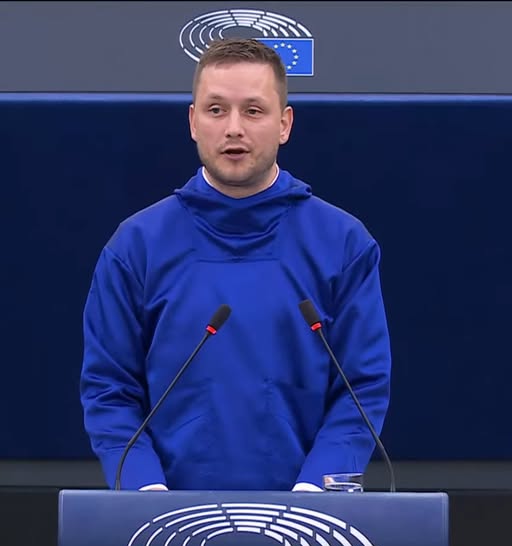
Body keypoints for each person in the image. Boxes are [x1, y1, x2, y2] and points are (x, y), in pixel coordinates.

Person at [80, 38, 391, 492]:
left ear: (284, 124)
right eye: (216, 110)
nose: (233, 129)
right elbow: (110, 390)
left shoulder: (343, 243)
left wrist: (315, 496)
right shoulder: (136, 246)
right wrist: (146, 495)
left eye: (253, 111)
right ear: (193, 122)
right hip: (165, 516)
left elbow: (361, 389)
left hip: (305, 517)